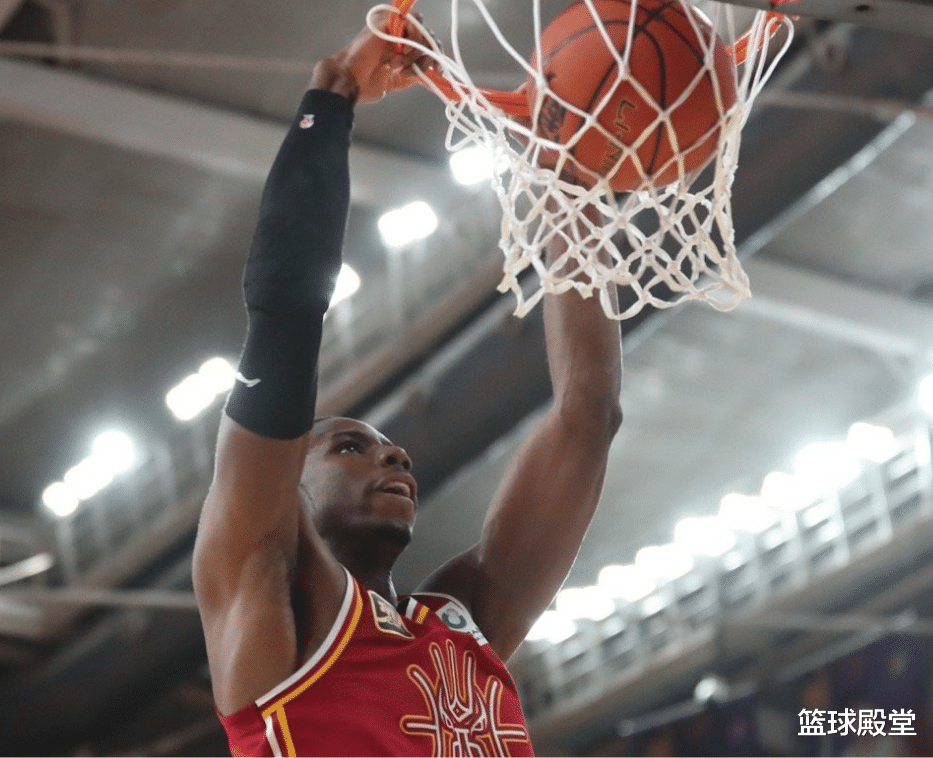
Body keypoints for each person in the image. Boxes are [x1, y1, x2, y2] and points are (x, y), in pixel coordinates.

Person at [192, 10, 623, 758]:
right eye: (349, 447)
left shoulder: (464, 621)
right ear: (289, 485)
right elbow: (286, 314)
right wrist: (331, 100)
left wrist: (566, 185)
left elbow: (588, 416)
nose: (394, 456)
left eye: (387, 448)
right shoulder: (263, 586)